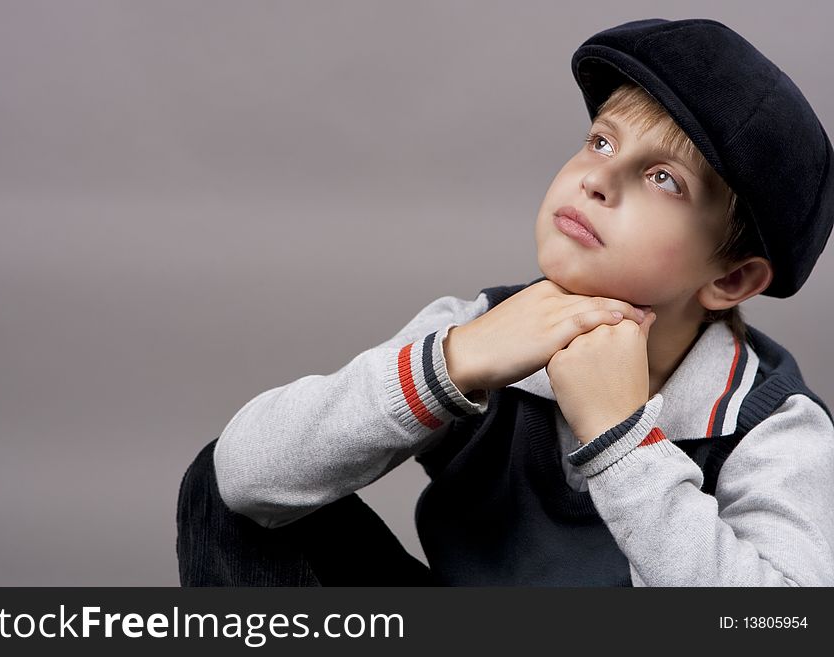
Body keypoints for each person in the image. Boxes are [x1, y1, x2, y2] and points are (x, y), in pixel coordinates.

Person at [176, 18, 834, 586]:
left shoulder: (773, 426)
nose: (598, 177)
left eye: (664, 179)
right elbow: (244, 476)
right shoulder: (483, 331)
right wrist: (453, 363)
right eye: (601, 141)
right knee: (227, 480)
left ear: (732, 279)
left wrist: (625, 440)